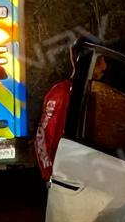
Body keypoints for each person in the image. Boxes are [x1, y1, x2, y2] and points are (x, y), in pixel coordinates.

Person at [34, 52, 107, 182]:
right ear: (88, 62)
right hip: (66, 178)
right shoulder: (61, 93)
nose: (105, 66)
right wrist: (52, 174)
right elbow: (46, 136)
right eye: (101, 60)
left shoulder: (90, 92)